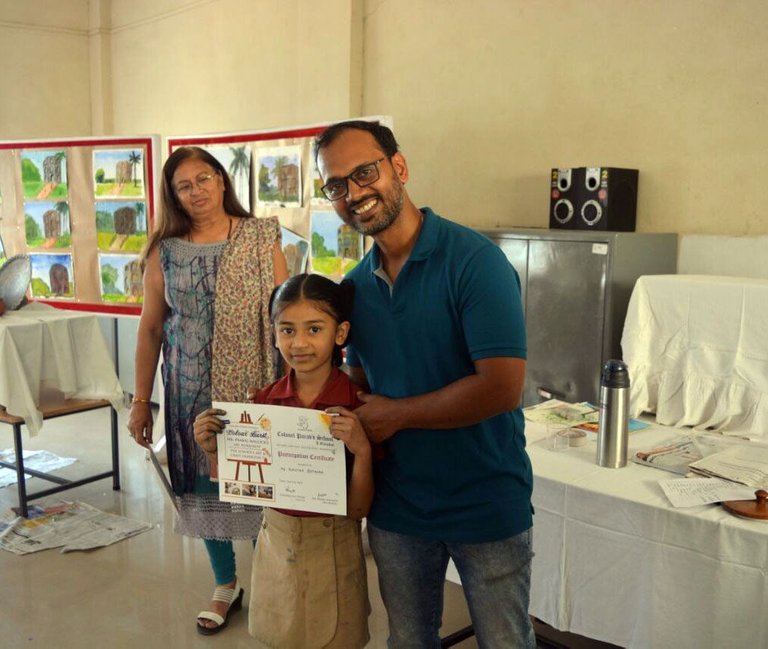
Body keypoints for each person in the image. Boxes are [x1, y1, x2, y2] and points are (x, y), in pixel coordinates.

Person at [315, 120, 535, 648]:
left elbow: (502, 388)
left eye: (364, 172)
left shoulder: (474, 263)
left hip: (484, 499)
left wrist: (399, 414)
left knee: (506, 641)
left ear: (399, 167)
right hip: (399, 506)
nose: (354, 193)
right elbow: (360, 387)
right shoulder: (353, 288)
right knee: (409, 640)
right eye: (336, 185)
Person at [126, 146, 289, 635]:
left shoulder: (261, 238)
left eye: (203, 178)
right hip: (188, 391)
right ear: (173, 195)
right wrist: (140, 401)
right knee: (202, 489)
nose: (195, 190)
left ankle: (269, 585)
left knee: (259, 486)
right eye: (183, 185)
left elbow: (285, 316)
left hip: (255, 388)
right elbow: (151, 328)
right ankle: (226, 585)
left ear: (222, 180)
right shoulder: (165, 250)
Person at [193, 273, 373, 649]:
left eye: (314, 329)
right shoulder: (263, 404)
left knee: (336, 636)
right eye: (287, 330)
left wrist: (363, 450)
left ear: (340, 334)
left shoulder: (357, 403)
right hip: (275, 542)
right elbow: (246, 488)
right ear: (273, 334)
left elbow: (358, 508)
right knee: (278, 636)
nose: (300, 343)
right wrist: (214, 449)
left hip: (335, 546)